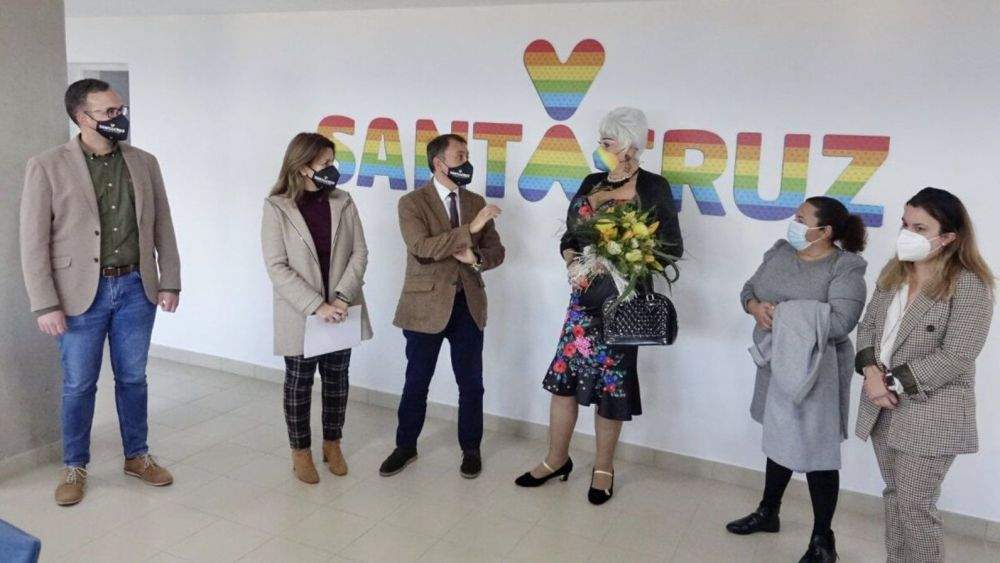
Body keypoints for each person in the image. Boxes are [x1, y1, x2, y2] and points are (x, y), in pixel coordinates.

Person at [19, 79, 181, 506]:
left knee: (133, 378)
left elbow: (162, 224)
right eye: (108, 112)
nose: (118, 118)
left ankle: (137, 456)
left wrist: (170, 280)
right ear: (80, 117)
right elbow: (33, 241)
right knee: (78, 385)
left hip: (135, 287)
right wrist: (45, 303)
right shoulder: (47, 165)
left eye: (120, 109)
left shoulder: (144, 162)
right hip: (76, 296)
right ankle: (75, 466)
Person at [515, 107, 683, 505]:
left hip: (621, 304)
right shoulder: (591, 181)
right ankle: (556, 459)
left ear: (628, 146)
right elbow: (570, 234)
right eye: (602, 143)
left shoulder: (654, 187)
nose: (601, 149)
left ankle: (603, 468)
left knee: (611, 387)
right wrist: (573, 260)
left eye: (607, 143)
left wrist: (629, 254)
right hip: (583, 302)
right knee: (564, 382)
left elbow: (673, 247)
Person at [854, 188, 994, 563]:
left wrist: (888, 383)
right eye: (905, 223)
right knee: (895, 498)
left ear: (948, 237)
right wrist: (870, 373)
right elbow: (867, 327)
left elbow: (957, 355)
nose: (906, 234)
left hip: (931, 410)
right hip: (881, 405)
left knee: (915, 508)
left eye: (920, 227)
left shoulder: (970, 285)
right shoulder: (894, 273)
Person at [726, 197, 868, 562]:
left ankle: (823, 539)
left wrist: (783, 314)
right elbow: (748, 291)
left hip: (819, 375)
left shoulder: (844, 268)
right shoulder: (780, 253)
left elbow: (840, 323)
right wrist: (756, 309)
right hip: (776, 365)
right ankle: (768, 512)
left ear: (825, 231)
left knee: (818, 453)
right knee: (779, 438)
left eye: (801, 218)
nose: (793, 222)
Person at [379, 134, 505, 479]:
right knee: (417, 382)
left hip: (468, 305)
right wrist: (471, 228)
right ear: (439, 163)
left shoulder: (476, 199)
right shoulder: (412, 202)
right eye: (459, 155)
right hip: (424, 307)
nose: (466, 161)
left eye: (467, 154)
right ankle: (405, 447)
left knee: (472, 384)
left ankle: (471, 449)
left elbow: (496, 251)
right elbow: (421, 247)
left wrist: (476, 257)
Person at [261, 132, 372, 484]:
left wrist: (340, 298)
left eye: (331, 162)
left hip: (341, 307)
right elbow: (276, 266)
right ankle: (301, 452)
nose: (331, 169)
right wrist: (316, 305)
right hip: (302, 312)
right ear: (302, 166)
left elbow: (360, 252)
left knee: (338, 380)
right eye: (325, 163)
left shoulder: (343, 200)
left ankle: (332, 444)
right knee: (299, 384)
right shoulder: (277, 206)